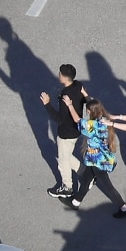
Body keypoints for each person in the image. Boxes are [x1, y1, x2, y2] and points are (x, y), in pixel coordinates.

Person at [58, 97, 126, 218]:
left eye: (88, 111)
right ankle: (75, 202)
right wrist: (85, 94)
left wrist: (70, 105)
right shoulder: (104, 121)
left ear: (91, 112)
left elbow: (77, 120)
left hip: (97, 162)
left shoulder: (91, 125)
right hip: (102, 159)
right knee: (86, 180)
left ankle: (123, 207)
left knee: (108, 186)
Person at [40, 64, 89, 198]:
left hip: (65, 133)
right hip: (76, 129)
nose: (58, 75)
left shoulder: (65, 96)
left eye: (60, 74)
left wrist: (47, 104)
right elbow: (86, 100)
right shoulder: (78, 85)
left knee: (63, 161)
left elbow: (59, 119)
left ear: (64, 77)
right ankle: (86, 174)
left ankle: (67, 187)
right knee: (66, 155)